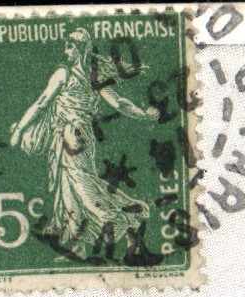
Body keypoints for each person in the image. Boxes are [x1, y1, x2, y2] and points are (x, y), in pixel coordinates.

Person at [8, 28, 159, 258]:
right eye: (67, 45)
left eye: (71, 46)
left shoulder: (70, 74)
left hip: (74, 138)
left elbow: (43, 103)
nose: (66, 50)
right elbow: (43, 102)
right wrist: (143, 115)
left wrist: (20, 130)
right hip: (69, 137)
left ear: (82, 49)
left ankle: (124, 221)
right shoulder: (86, 75)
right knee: (69, 191)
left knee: (83, 189)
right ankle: (78, 244)